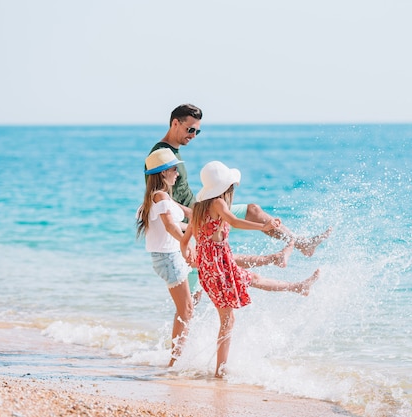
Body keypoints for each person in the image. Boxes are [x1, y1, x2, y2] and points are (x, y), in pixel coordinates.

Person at [137, 149, 295, 367]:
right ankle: (175, 364)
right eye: (173, 169)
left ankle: (178, 362)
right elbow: (172, 226)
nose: (177, 173)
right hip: (173, 260)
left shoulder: (168, 200)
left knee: (231, 284)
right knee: (191, 310)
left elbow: (187, 224)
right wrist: (263, 225)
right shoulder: (163, 197)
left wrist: (187, 245)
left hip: (185, 260)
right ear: (162, 173)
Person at [180, 161, 320, 378]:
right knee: (228, 320)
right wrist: (263, 226)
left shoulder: (198, 209)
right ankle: (220, 371)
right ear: (226, 188)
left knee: (251, 280)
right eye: (232, 187)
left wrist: (186, 252)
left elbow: (185, 238)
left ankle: (297, 287)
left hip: (210, 269)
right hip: (219, 269)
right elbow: (234, 221)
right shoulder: (218, 203)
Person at [149, 103, 332, 258]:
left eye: (197, 131)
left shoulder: (171, 151)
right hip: (194, 217)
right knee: (198, 286)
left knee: (253, 211)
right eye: (190, 130)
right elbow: (158, 196)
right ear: (175, 123)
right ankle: (300, 244)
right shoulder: (160, 154)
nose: (194, 135)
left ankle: (300, 243)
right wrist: (192, 215)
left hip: (198, 209)